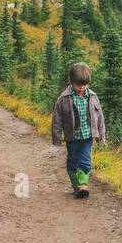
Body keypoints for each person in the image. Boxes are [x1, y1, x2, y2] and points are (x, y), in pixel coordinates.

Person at [50, 62, 105, 198]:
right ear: (71, 81)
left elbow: (99, 116)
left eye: (84, 85)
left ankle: (83, 185)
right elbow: (57, 119)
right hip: (72, 138)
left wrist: (100, 134)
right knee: (72, 161)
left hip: (87, 137)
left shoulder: (92, 97)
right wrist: (57, 137)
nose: (82, 87)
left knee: (85, 160)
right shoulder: (64, 98)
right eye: (78, 85)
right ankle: (75, 184)